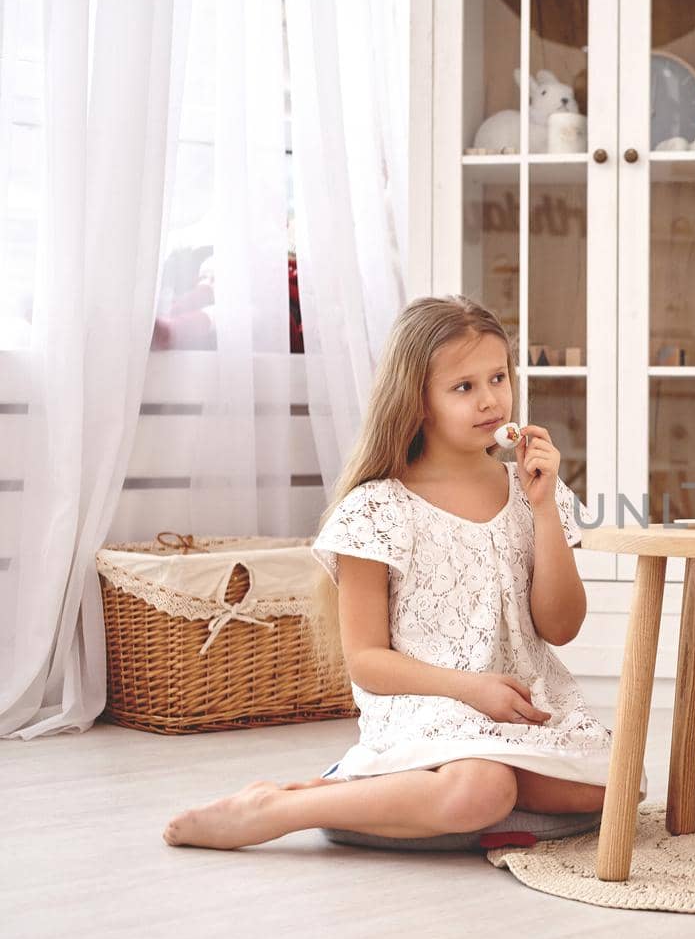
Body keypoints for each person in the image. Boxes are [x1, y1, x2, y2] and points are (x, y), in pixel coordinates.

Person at [166, 296, 611, 849]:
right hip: (430, 701)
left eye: (498, 377)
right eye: (464, 387)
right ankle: (279, 808)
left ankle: (398, 797)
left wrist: (544, 509)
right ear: (418, 401)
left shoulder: (531, 492)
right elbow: (368, 662)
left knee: (611, 790)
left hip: (519, 703)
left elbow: (562, 626)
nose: (491, 400)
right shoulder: (378, 509)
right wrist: (470, 690)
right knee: (482, 789)